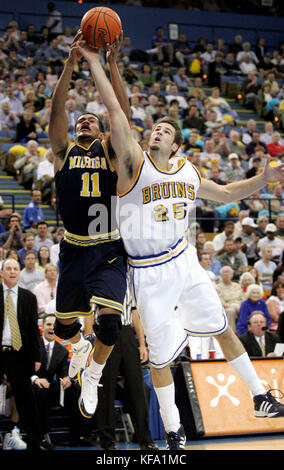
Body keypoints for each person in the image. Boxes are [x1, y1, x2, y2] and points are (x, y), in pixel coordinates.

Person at [76, 35, 284, 450]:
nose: (158, 131)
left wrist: (262, 180)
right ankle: (173, 429)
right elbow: (117, 111)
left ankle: (260, 394)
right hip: (147, 272)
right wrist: (97, 63)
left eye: (165, 130)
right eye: (154, 128)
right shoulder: (134, 164)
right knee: (161, 359)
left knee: (223, 328)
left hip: (184, 261)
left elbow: (225, 195)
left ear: (176, 143)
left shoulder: (187, 173)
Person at [48, 33, 130, 421]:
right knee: (63, 330)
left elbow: (122, 116)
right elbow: (56, 113)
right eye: (81, 118)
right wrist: (68, 65)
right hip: (73, 247)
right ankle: (80, 348)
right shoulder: (63, 151)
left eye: (91, 120)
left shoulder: (109, 151)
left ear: (100, 132)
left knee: (111, 327)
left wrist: (111, 64)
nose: (83, 120)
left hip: (109, 248)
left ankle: (94, 374)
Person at [95, 277, 158, 450]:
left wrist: (142, 344)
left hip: (127, 333)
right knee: (106, 390)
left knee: (137, 388)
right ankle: (107, 442)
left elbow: (135, 313)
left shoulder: (129, 279)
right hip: (104, 331)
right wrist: (90, 341)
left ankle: (145, 440)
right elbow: (87, 315)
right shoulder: (97, 279)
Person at [0, 258, 43, 450]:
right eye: (8, 268)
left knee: (27, 400)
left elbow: (33, 330)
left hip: (20, 354)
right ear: (1, 273)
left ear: (19, 272)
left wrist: (36, 357)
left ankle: (35, 442)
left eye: (15, 269)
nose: (11, 272)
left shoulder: (28, 297)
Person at [32, 314, 89, 448]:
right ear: (42, 327)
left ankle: (77, 436)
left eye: (54, 325)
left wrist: (66, 379)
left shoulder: (62, 350)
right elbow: (24, 368)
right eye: (48, 325)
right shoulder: (33, 344)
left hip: (49, 388)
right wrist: (36, 379)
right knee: (41, 390)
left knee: (75, 390)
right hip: (32, 385)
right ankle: (42, 438)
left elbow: (63, 373)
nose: (51, 328)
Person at [215, 265, 244, 332]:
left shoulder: (237, 286)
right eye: (225, 272)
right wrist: (235, 307)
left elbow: (243, 299)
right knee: (231, 311)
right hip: (227, 309)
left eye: (228, 272)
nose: (227, 274)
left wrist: (241, 307)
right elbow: (221, 303)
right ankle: (232, 334)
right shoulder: (218, 287)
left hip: (240, 307)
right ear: (221, 275)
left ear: (232, 274)